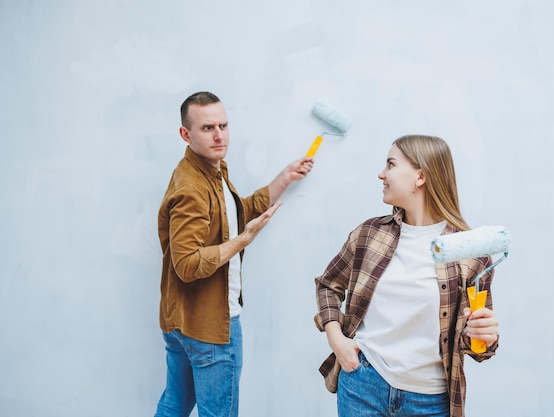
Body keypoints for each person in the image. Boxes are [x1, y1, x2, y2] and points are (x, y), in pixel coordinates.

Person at [314, 135, 499, 417]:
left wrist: (484, 336)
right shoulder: (369, 234)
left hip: (429, 402)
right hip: (363, 386)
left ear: (420, 176)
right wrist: (336, 339)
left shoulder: (470, 253)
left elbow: (476, 348)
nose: (381, 174)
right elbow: (328, 284)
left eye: (390, 164)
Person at [155, 91, 314, 417]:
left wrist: (284, 177)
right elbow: (187, 265)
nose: (219, 136)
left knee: (174, 406)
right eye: (207, 128)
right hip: (208, 328)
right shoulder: (192, 187)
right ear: (186, 134)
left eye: (223, 125)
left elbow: (236, 213)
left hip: (182, 322)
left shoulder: (211, 171)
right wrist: (244, 240)